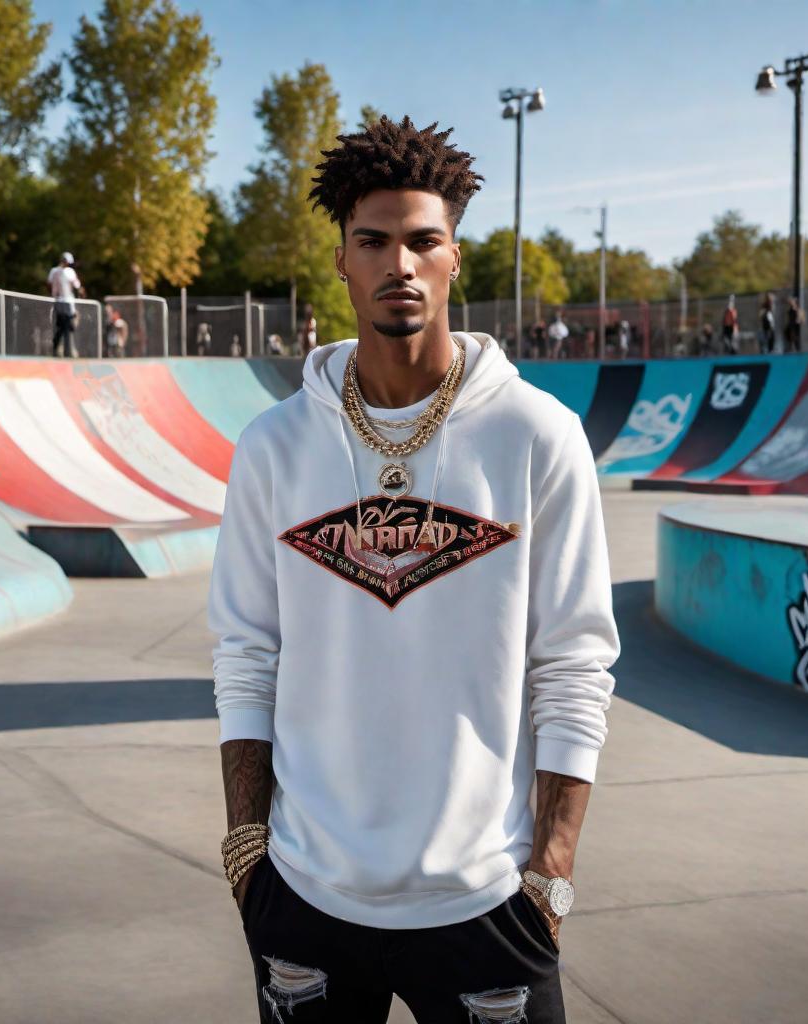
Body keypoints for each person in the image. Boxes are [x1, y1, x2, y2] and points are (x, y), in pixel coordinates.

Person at [209, 115, 619, 1023]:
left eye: (422, 240)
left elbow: (574, 661)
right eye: (375, 241)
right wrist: (248, 848)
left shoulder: (536, 436)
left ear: (455, 258)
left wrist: (551, 869)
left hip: (484, 899)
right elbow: (247, 651)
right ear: (343, 263)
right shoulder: (274, 448)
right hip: (307, 894)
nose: (400, 262)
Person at [47, 252, 85, 358]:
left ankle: (58, 347)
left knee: (62, 326)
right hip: (67, 302)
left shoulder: (53, 271)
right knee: (67, 326)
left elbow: (49, 284)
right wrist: (81, 293)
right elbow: (78, 286)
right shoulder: (68, 272)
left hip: (58, 301)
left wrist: (53, 294)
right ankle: (67, 351)